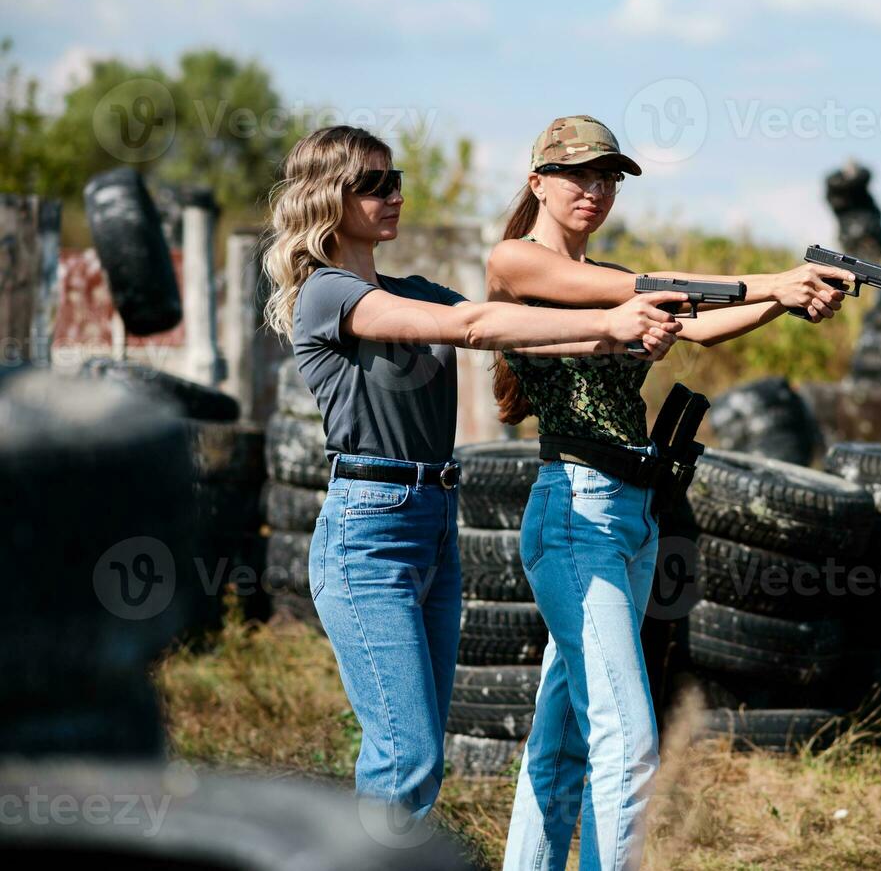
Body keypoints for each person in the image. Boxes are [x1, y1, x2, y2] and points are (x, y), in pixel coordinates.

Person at [260, 125, 687, 821]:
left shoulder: (414, 288)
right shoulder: (326, 295)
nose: (394, 194)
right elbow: (478, 329)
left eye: (395, 180)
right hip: (368, 531)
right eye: (373, 183)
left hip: (433, 524)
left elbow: (508, 323)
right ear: (327, 198)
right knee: (407, 758)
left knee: (420, 765)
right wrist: (614, 322)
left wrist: (615, 327)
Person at [490, 115, 854, 870]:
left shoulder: (615, 279)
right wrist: (771, 281)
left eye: (607, 177)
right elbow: (642, 292)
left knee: (560, 741)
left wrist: (791, 294)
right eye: (577, 174)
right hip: (576, 512)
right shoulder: (517, 262)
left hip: (634, 513)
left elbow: (702, 326)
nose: (594, 189)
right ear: (537, 185)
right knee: (626, 744)